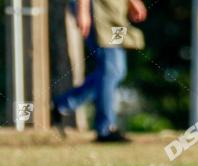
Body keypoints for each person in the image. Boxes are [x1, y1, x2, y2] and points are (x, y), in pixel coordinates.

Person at [52, 0, 147, 143]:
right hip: (97, 8)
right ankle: (105, 128)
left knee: (115, 72)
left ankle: (63, 104)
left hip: (112, 10)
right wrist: (83, 9)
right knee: (111, 71)